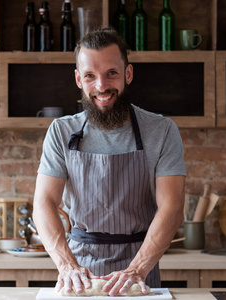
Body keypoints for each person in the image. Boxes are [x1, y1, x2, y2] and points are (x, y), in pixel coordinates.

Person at [33, 28, 186, 296]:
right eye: (91, 76)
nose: (102, 86)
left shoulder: (162, 131)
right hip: (79, 274)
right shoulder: (61, 132)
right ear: (79, 79)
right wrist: (67, 266)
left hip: (141, 271)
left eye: (111, 73)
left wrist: (137, 269)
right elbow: (44, 203)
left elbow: (172, 208)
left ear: (128, 74)